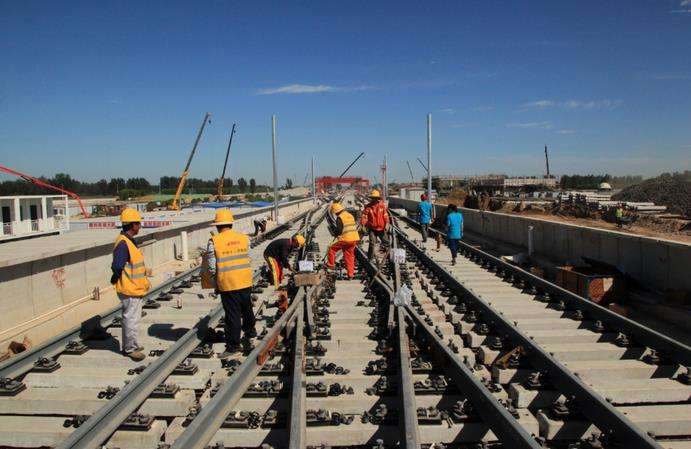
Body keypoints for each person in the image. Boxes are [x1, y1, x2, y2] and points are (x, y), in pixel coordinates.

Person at [206, 209, 255, 358]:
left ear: (217, 226)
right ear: (230, 224)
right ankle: (250, 332)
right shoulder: (244, 238)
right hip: (245, 280)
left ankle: (233, 346)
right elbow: (249, 258)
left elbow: (212, 267)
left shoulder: (213, 241)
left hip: (228, 283)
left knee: (232, 315)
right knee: (247, 308)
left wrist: (216, 284)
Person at [111, 208, 151, 361]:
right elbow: (117, 266)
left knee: (133, 318)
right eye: (138, 224)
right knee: (131, 318)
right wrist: (116, 277)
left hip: (134, 287)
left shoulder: (128, 241)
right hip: (129, 288)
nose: (140, 226)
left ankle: (132, 344)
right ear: (132, 225)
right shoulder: (123, 243)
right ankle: (130, 349)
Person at [327, 202, 360, 278]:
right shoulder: (349, 215)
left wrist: (335, 234)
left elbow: (339, 230)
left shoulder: (340, 217)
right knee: (350, 256)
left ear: (336, 211)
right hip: (354, 238)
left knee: (331, 249)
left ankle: (330, 265)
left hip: (346, 239)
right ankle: (350, 274)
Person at [360, 189, 390, 259]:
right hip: (372, 228)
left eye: (375, 198)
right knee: (372, 243)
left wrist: (387, 223)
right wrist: (363, 225)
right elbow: (364, 216)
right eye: (373, 198)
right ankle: (370, 258)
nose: (374, 199)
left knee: (386, 243)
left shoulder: (382, 206)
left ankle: (388, 256)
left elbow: (385, 215)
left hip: (381, 228)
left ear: (378, 198)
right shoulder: (368, 207)